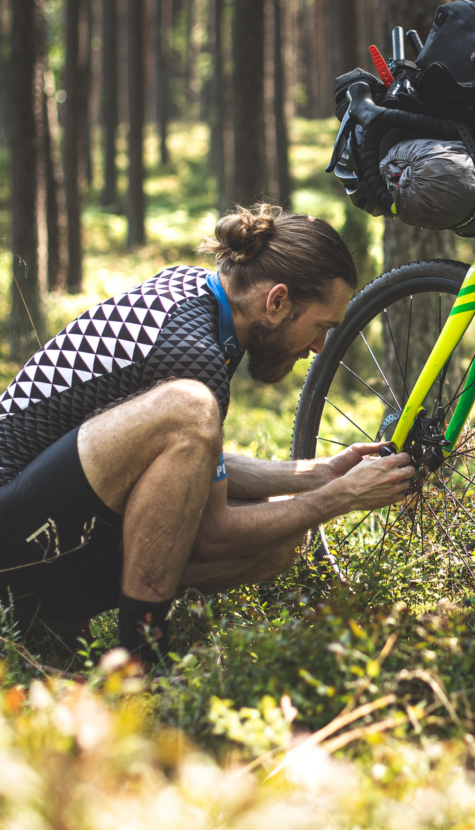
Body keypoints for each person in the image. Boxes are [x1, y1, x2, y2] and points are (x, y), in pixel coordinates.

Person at [0, 204, 416, 663]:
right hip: (13, 535)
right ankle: (140, 660)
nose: (318, 347)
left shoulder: (202, 301)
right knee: (191, 408)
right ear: (276, 301)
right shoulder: (194, 356)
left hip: (44, 524)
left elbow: (185, 465)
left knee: (278, 537)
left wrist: (318, 475)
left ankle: (57, 622)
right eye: (321, 327)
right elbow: (213, 535)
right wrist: (340, 499)